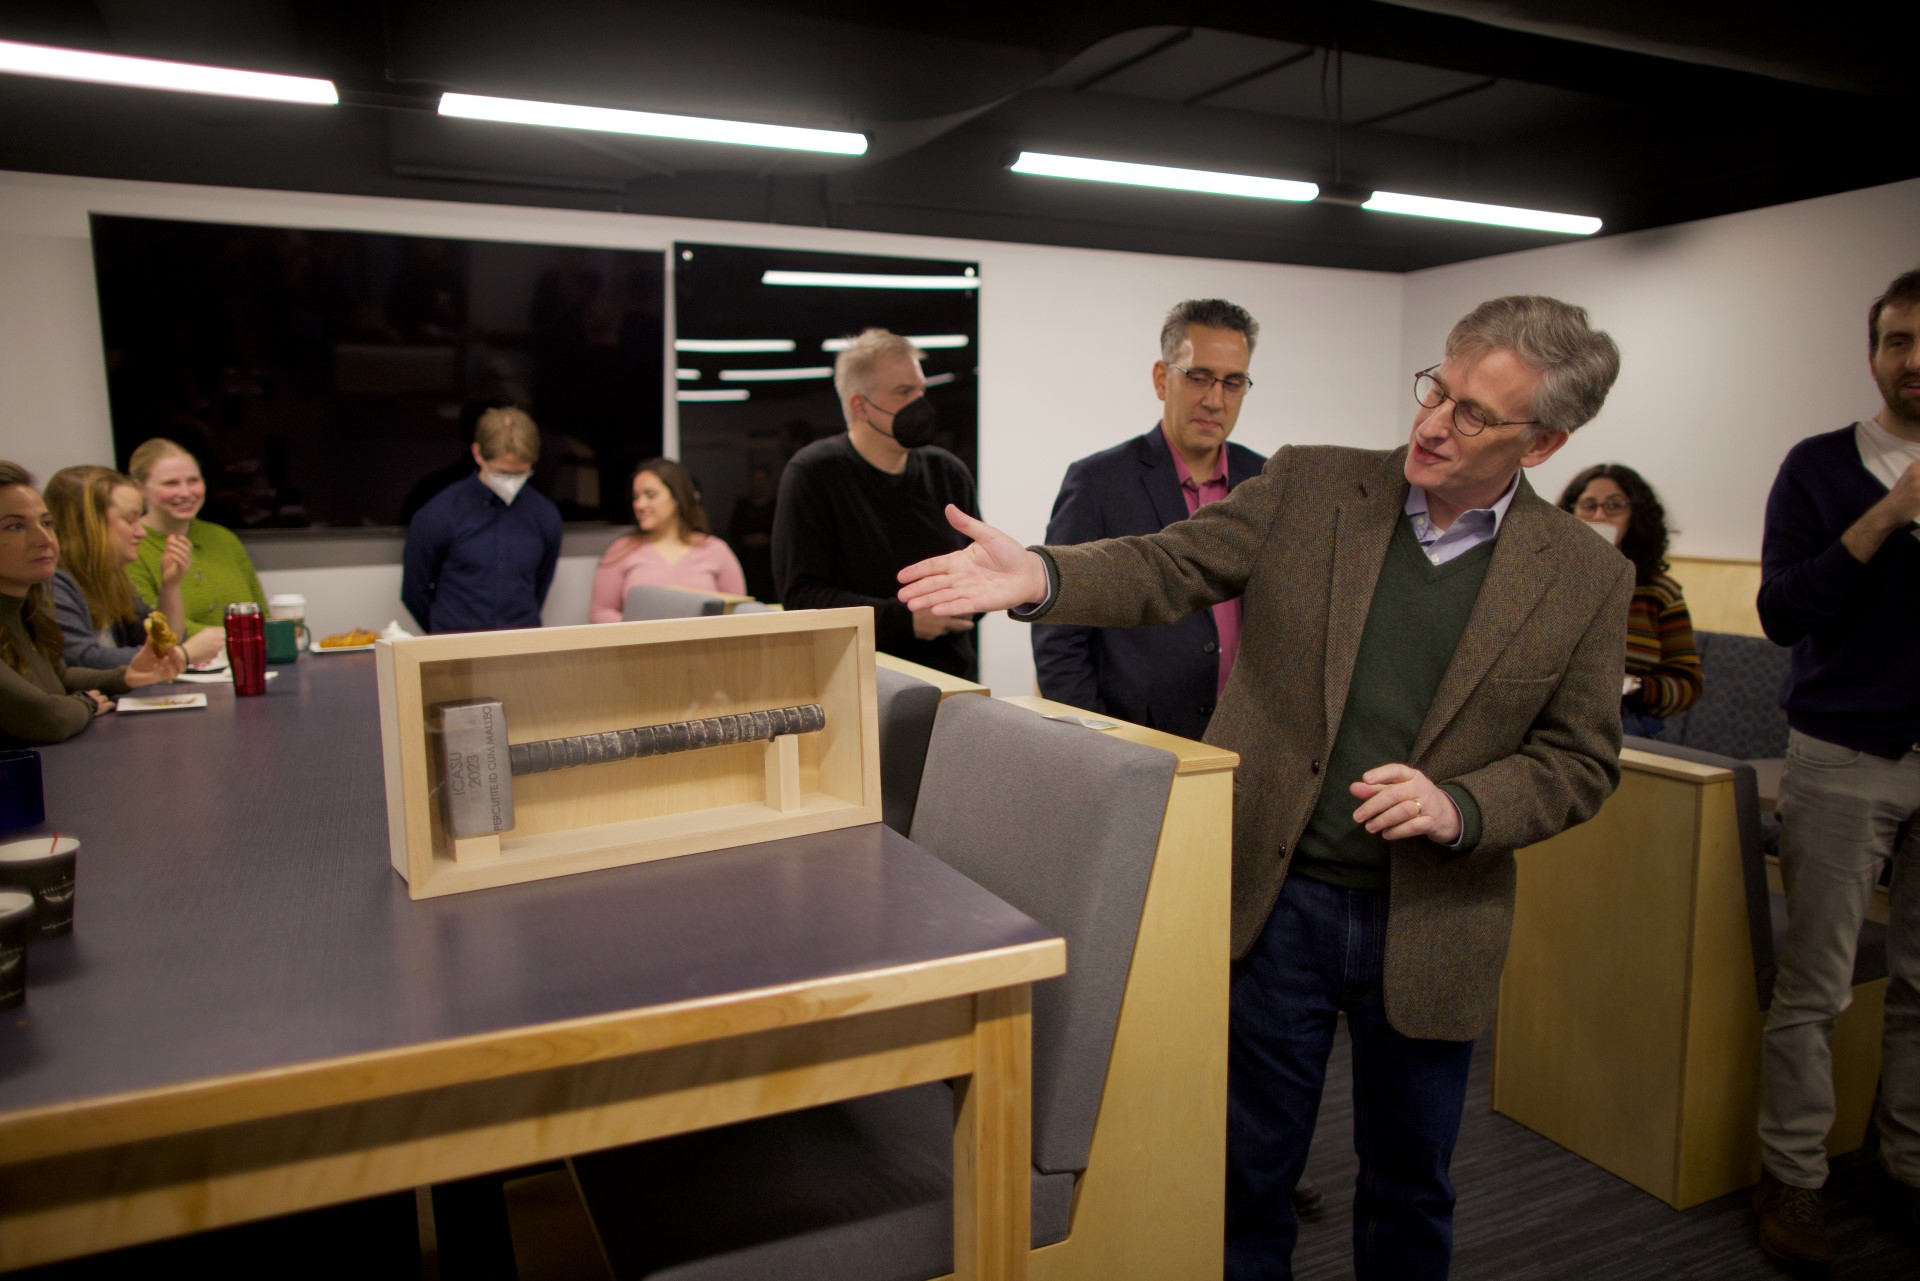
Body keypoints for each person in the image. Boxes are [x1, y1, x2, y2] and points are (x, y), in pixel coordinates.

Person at [900, 295, 1628, 1280]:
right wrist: (1042, 576)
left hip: (1435, 918)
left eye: (1471, 415)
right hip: (1274, 902)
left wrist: (1468, 805)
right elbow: (1175, 563)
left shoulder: (1583, 576)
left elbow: (1581, 760)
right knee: (1249, 1174)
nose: (1431, 424)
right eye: (1435, 391)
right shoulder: (1316, 485)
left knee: (1411, 1187)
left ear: (1541, 444)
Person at [1753, 267, 1920, 1270]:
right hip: (1843, 756)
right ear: (1874, 354)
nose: (1915, 360)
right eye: (1898, 340)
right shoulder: (1821, 468)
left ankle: (1905, 1167)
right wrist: (1890, 514)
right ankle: (1794, 1180)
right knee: (1815, 991)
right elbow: (1783, 612)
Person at [1034, 299, 1267, 743]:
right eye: (1198, 377)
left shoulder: (1266, 482)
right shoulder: (1098, 482)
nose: (1215, 400)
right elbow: (1059, 641)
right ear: (1162, 379)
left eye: (1233, 383)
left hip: (1244, 744)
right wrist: (1100, 742)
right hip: (1137, 742)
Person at [773, 329, 979, 679]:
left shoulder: (948, 472)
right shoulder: (813, 473)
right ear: (860, 405)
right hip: (859, 683)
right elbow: (802, 596)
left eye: (921, 390)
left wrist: (963, 603)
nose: (921, 403)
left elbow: (978, 568)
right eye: (904, 392)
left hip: (951, 679)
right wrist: (904, 619)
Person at [0, 462, 183, 746]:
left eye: (46, 523)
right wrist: (86, 703)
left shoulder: (26, 608)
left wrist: (127, 677)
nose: (44, 539)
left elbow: (61, 676)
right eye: (14, 526)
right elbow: (47, 718)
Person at [1556, 463, 1702, 739]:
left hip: (1626, 721)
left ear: (1634, 516)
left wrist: (1635, 685)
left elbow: (1687, 685)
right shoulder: (1544, 581)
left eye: (1614, 506)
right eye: (1589, 505)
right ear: (1570, 513)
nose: (1599, 515)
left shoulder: (1658, 592)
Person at [44, 466, 226, 670]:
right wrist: (182, 655)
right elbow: (83, 659)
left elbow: (160, 642)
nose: (141, 532)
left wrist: (171, 585)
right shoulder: (53, 583)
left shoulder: (113, 577)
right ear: (88, 526)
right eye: (130, 520)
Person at [401, 406, 563, 634]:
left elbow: (540, 585)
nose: (511, 481)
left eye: (520, 473)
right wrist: (442, 637)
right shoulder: (438, 512)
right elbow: (414, 592)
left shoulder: (545, 515)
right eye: (503, 473)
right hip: (454, 645)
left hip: (520, 645)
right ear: (478, 454)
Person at [126, 439, 268, 635]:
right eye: (170, 483)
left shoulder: (223, 538)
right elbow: (147, 626)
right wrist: (231, 636)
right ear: (139, 488)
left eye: (193, 481)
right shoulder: (131, 546)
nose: (185, 493)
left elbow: (261, 615)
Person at [590, 458, 746, 621]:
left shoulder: (716, 551)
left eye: (651, 495)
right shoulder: (622, 549)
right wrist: (642, 634)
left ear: (677, 498)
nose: (640, 505)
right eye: (636, 497)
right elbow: (601, 611)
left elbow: (737, 614)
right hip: (640, 645)